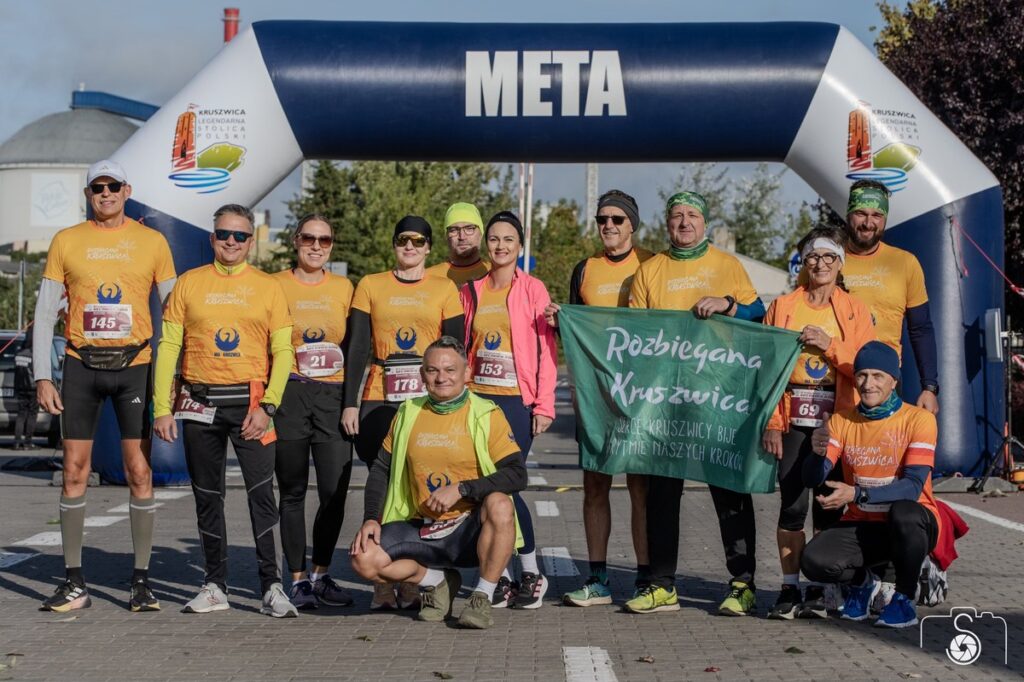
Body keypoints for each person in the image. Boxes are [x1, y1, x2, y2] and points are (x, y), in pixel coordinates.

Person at [34, 160, 176, 613]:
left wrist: (177, 376)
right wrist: (42, 375)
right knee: (74, 471)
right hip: (81, 365)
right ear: (88, 194)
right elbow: (44, 312)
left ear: (127, 191)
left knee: (139, 471)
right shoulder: (67, 240)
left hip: (135, 365)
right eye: (98, 187)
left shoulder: (152, 241)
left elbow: (174, 311)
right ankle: (74, 582)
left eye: (114, 186)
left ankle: (141, 581)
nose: (106, 193)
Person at [624, 191, 766, 616]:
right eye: (677, 215)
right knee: (662, 493)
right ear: (667, 223)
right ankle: (661, 584)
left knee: (729, 489)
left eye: (692, 215)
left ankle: (742, 584)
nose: (684, 222)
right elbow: (634, 335)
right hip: (666, 400)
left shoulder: (727, 265)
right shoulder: (649, 270)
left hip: (717, 396)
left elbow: (759, 312)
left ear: (704, 223)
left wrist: (728, 305)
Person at [152, 204, 297, 618]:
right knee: (207, 497)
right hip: (199, 402)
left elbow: (283, 350)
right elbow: (169, 347)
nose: (231, 242)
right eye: (224, 234)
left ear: (251, 241)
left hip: (252, 404)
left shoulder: (269, 287)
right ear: (212, 238)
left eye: (240, 235)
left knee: (261, 495)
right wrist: (161, 408)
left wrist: (269, 405)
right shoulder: (189, 283)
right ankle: (215, 585)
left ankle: (271, 586)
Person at [350, 336, 525, 629]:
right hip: (423, 527)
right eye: (432, 370)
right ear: (422, 375)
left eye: (450, 370)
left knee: (500, 503)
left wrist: (461, 489)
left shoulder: (487, 414)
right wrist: (370, 518)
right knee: (363, 559)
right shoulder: (408, 412)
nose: (441, 377)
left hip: (469, 531)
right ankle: (437, 581)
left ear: (467, 373)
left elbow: (517, 473)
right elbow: (381, 468)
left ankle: (481, 597)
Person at [342, 215, 464, 609]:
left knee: (417, 484)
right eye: (402, 240)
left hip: (427, 399)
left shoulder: (444, 288)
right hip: (379, 396)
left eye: (417, 241)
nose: (409, 247)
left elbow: (456, 349)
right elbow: (357, 347)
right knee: (382, 480)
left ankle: (410, 577)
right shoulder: (370, 284)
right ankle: (381, 584)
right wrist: (350, 403)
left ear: (429, 247)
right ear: (394, 244)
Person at [543, 189, 654, 606]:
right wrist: (560, 322)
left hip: (639, 394)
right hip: (595, 395)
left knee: (640, 489)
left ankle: (645, 578)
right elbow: (575, 335)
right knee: (594, 486)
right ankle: (598, 579)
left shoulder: (652, 264)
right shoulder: (584, 269)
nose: (608, 226)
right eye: (602, 219)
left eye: (617, 219)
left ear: (632, 225)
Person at [762, 225, 876, 620]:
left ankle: (823, 589)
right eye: (813, 256)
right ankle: (789, 588)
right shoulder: (782, 306)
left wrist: (830, 345)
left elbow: (866, 369)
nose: (821, 264)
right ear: (804, 262)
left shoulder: (855, 310)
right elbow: (766, 368)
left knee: (828, 504)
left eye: (829, 256)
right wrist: (772, 422)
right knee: (792, 504)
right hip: (793, 416)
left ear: (840, 263)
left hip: (838, 417)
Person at [801, 341, 942, 629]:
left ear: (894, 381)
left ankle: (904, 598)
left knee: (904, 512)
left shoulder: (919, 419)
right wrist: (816, 454)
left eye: (878, 376)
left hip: (913, 524)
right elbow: (813, 478)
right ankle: (863, 584)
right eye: (862, 375)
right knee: (813, 561)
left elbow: (913, 487)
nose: (868, 384)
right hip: (865, 523)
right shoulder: (841, 421)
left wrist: (856, 493)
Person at [461, 210, 557, 609]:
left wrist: (544, 404)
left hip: (516, 400)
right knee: (484, 488)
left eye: (508, 240)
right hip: (478, 400)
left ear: (519, 246)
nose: (500, 246)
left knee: (505, 485)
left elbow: (547, 351)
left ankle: (531, 572)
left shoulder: (533, 289)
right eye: (494, 239)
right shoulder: (471, 290)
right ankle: (498, 577)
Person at [272, 215, 355, 609]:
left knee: (333, 493)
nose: (316, 246)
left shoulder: (344, 287)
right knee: (292, 492)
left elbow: (355, 345)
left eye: (324, 240)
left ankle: (321, 574)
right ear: (296, 241)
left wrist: (352, 400)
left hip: (332, 397)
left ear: (331, 245)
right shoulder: (274, 284)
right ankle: (297, 580)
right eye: (309, 238)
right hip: (289, 394)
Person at [840, 180, 939, 414]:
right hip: (834, 376)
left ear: (885, 219)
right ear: (848, 214)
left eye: (876, 215)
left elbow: (921, 328)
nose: (868, 223)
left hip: (883, 380)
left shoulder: (905, 263)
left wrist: (929, 387)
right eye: (861, 213)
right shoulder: (826, 260)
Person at [428, 202, 490, 287]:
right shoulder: (429, 276)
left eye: (469, 229)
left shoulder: (496, 273)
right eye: (454, 230)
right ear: (446, 235)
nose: (462, 237)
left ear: (481, 233)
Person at [13, 326, 39, 450]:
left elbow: (17, 372)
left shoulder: (18, 354)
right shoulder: (35, 354)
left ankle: (17, 442)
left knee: (21, 414)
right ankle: (28, 442)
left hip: (21, 388)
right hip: (33, 389)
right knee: (32, 415)